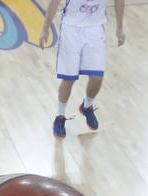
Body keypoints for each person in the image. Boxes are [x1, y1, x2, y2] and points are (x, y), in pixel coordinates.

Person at [40, 0, 126, 138]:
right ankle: (60, 116)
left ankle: (87, 106)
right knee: (68, 80)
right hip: (71, 28)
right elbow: (55, 2)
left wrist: (120, 28)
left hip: (95, 28)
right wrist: (45, 29)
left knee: (97, 78)